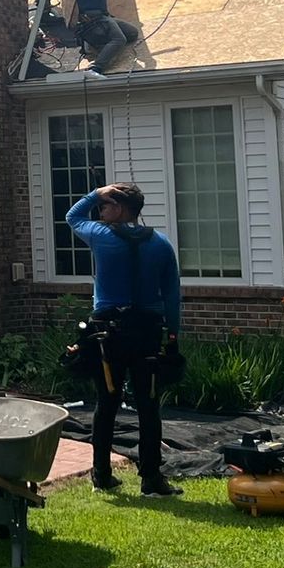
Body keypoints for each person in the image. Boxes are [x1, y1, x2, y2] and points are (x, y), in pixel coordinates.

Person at [66, 182, 183, 496]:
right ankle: (151, 479)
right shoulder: (161, 244)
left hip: (108, 333)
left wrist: (95, 192)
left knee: (107, 403)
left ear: (118, 209)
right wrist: (172, 336)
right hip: (147, 332)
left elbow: (72, 217)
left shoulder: (101, 236)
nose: (101, 211)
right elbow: (172, 295)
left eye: (105, 206)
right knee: (148, 405)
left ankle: (102, 475)